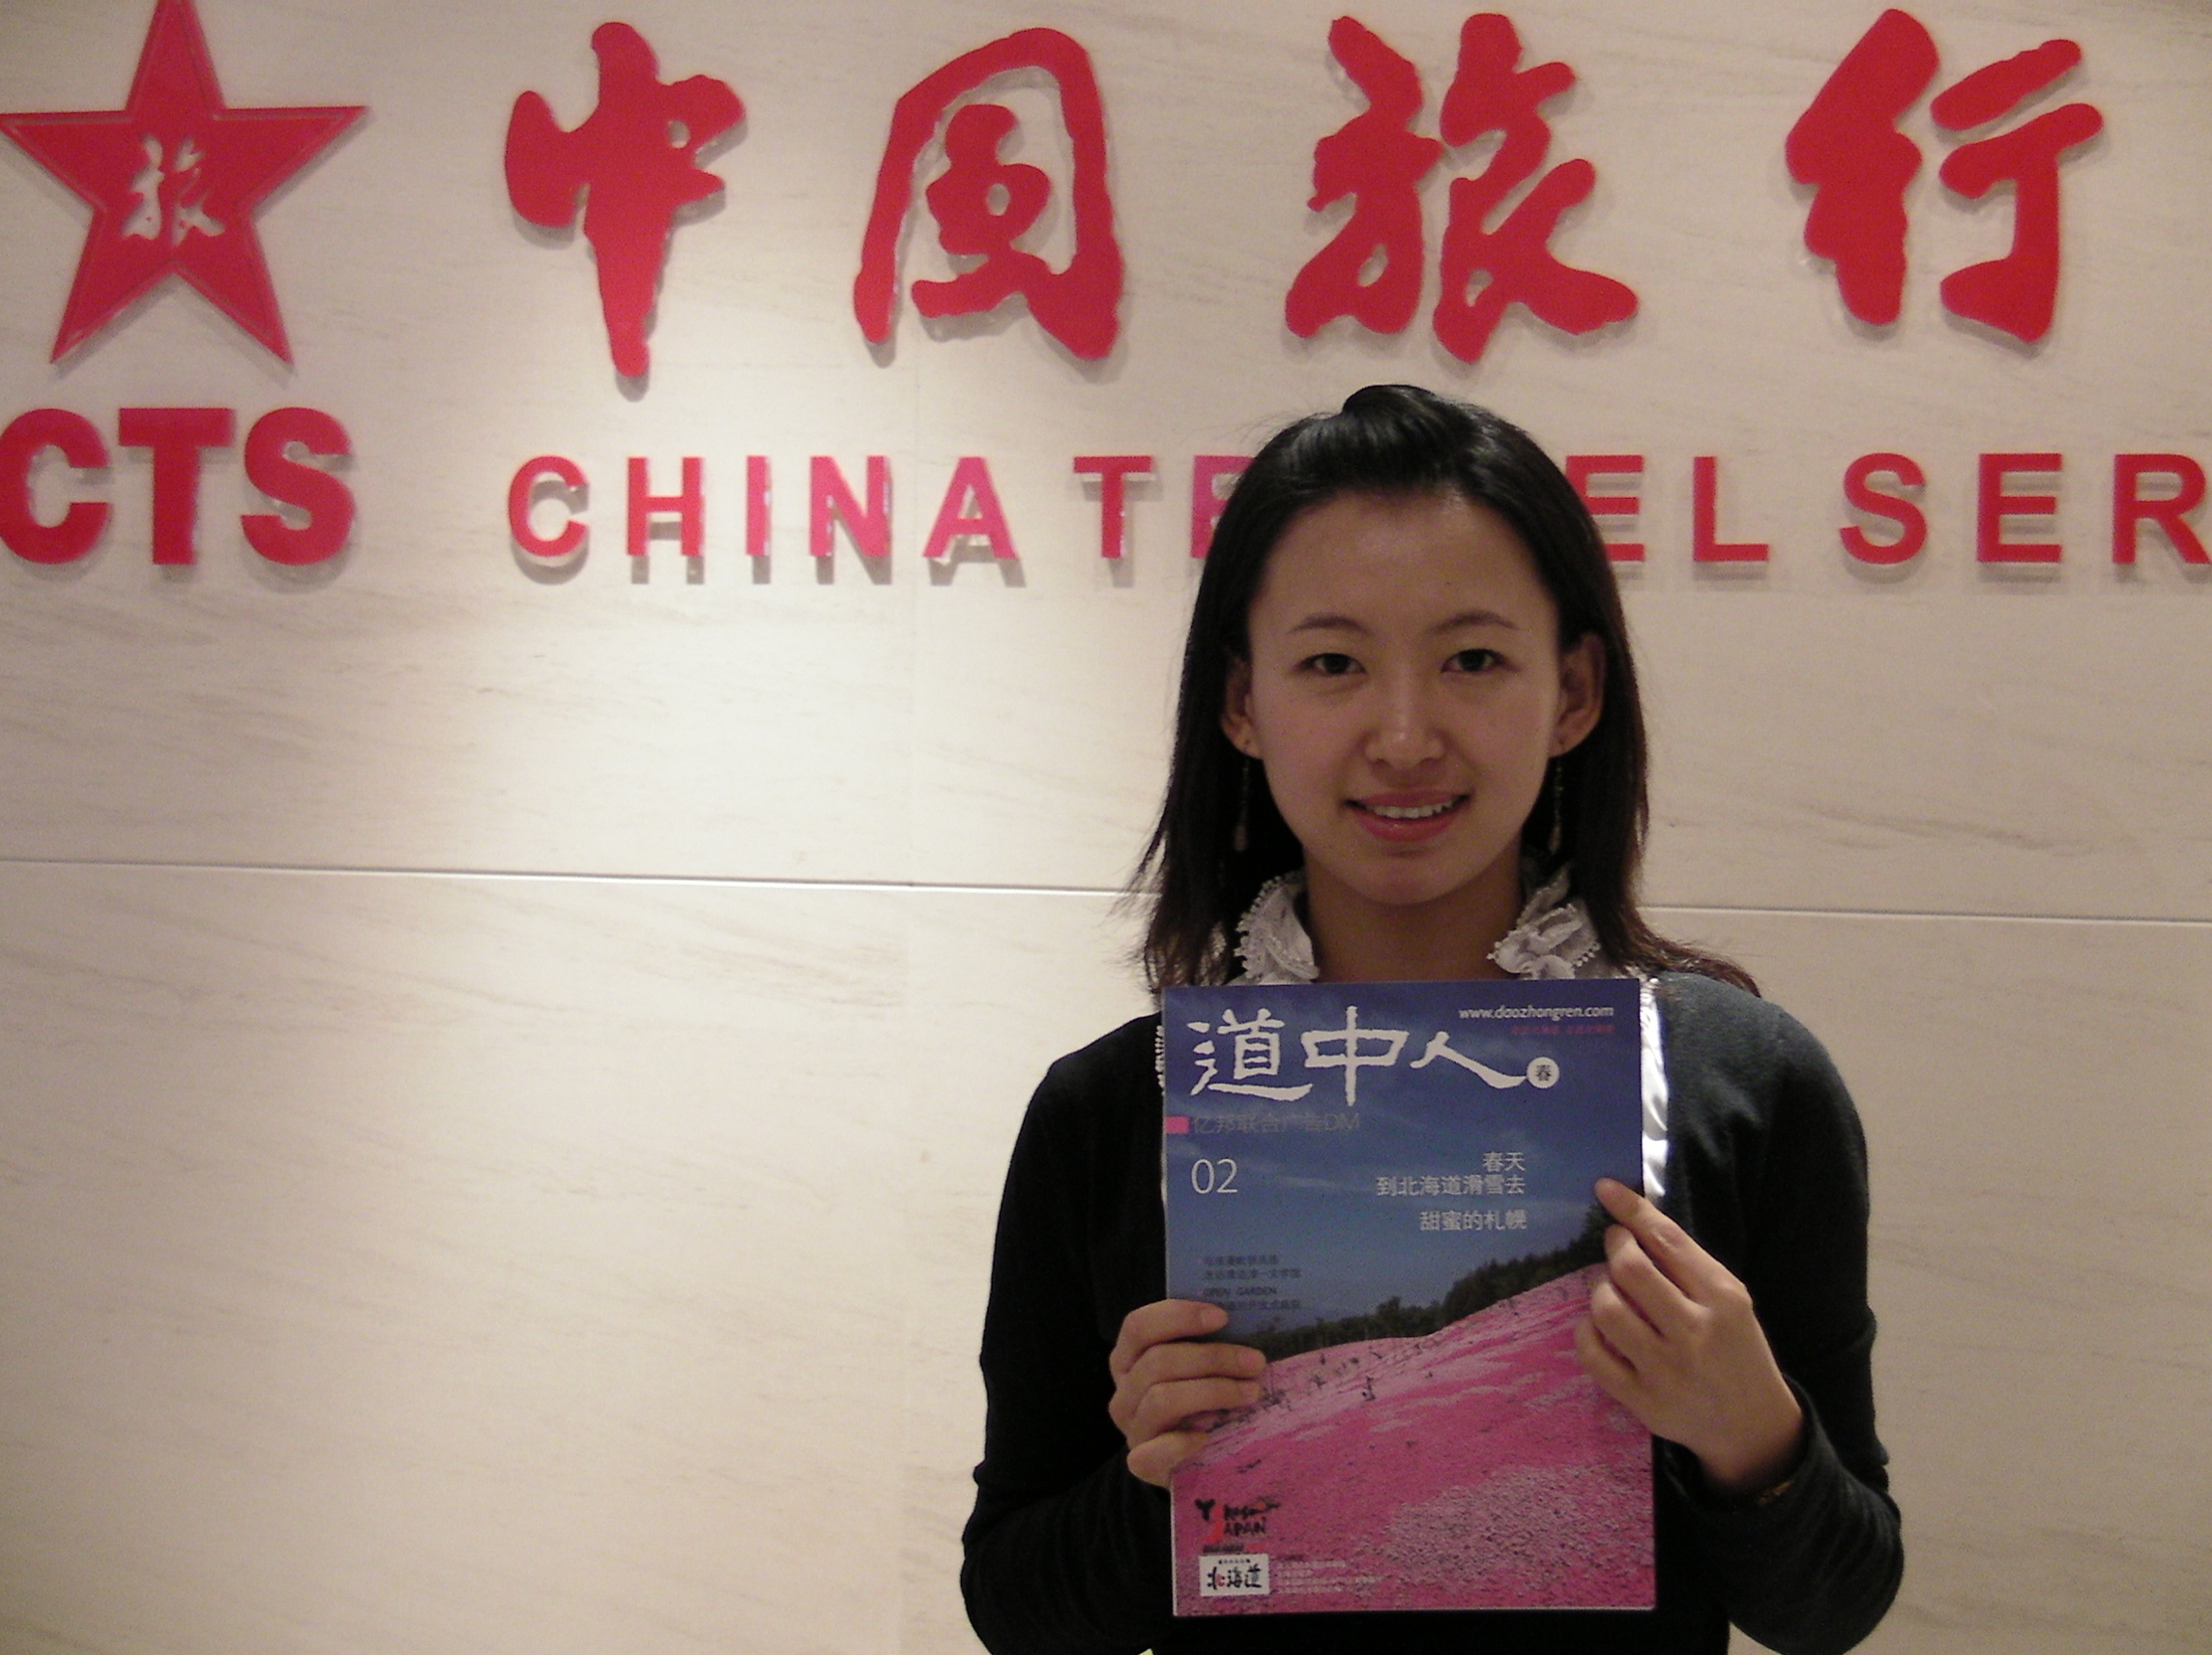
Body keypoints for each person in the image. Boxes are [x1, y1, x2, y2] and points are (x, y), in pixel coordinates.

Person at [961, 386, 1902, 1655]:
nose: (1404, 739)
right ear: (1242, 703)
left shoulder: (1746, 1081)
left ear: (1573, 692)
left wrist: (1755, 1437)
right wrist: (1156, 1484)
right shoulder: (1112, 1112)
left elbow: (1836, 1605)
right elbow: (1013, 1605)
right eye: (1332, 664)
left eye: (1473, 660)